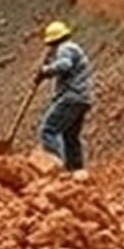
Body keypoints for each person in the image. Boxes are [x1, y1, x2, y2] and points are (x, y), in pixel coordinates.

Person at [34, 21, 93, 171]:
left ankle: (57, 168)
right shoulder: (72, 48)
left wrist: (46, 70)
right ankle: (77, 171)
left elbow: (65, 65)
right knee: (70, 137)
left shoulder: (65, 48)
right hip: (82, 98)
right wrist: (46, 72)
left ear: (53, 41)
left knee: (48, 130)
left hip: (71, 97)